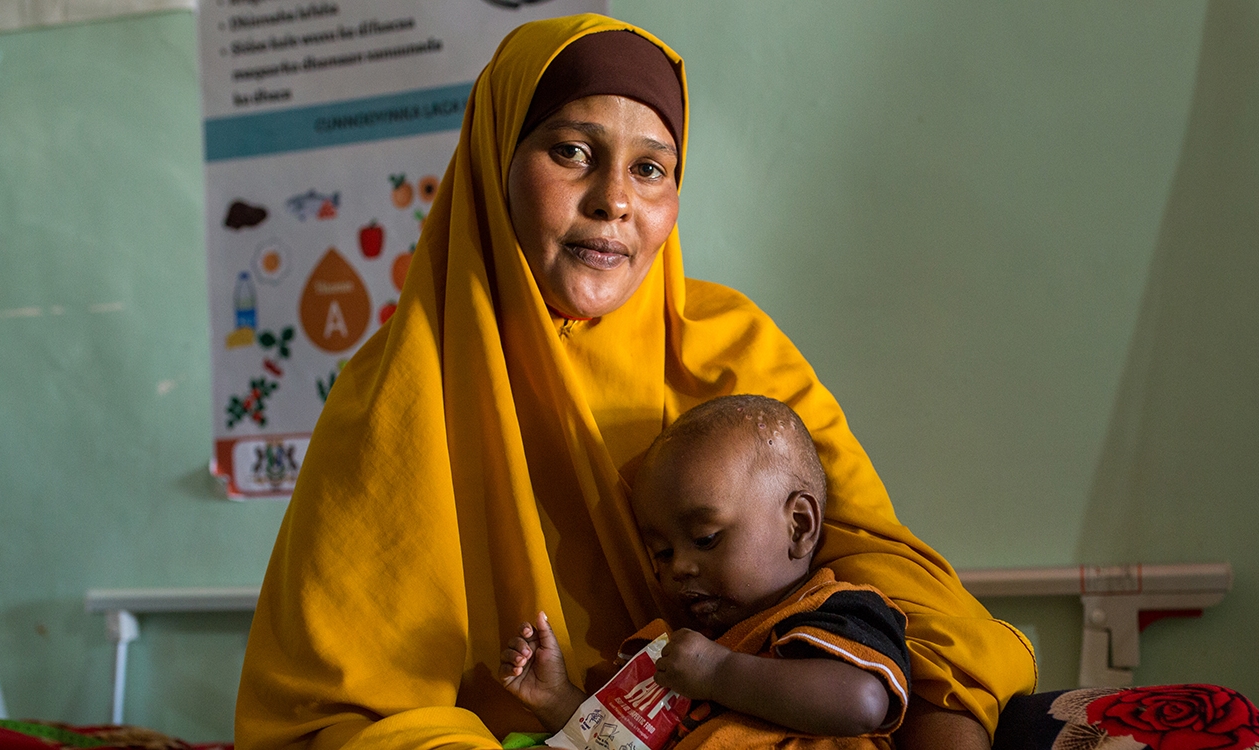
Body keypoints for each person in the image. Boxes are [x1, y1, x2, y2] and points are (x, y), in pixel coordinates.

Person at [235, 13, 1035, 750]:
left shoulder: (732, 347)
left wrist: (943, 715)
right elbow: (337, 715)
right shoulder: (395, 393)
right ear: (493, 163)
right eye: (571, 152)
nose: (614, 200)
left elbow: (890, 585)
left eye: (651, 168)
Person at [499, 395, 912, 747]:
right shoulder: (678, 652)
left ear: (799, 525)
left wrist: (718, 673)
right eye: (660, 553)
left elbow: (863, 703)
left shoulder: (835, 611)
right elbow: (621, 742)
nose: (678, 567)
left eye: (706, 539)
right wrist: (556, 701)